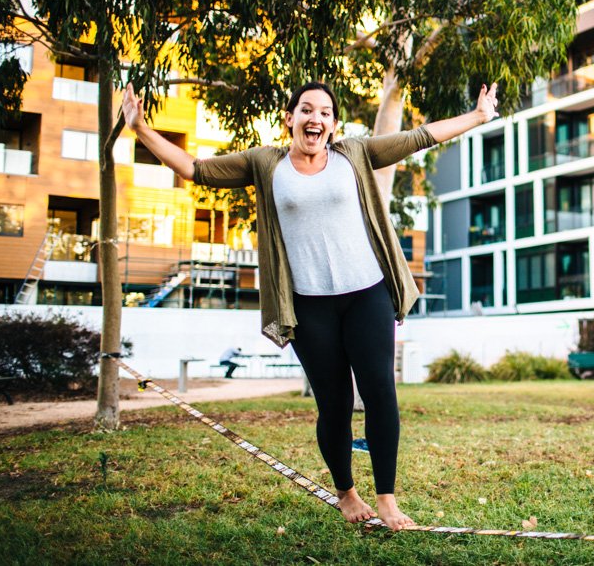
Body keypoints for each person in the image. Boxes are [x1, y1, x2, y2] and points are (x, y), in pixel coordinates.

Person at [121, 80, 498, 531]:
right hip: (310, 305)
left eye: (324, 112)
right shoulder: (265, 163)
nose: (314, 118)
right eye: (305, 109)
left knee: (380, 393)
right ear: (290, 118)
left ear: (333, 125)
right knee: (334, 403)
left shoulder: (353, 154)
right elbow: (195, 168)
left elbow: (419, 137)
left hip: (367, 294)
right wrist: (141, 127)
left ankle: (387, 499)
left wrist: (477, 116)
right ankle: (346, 492)